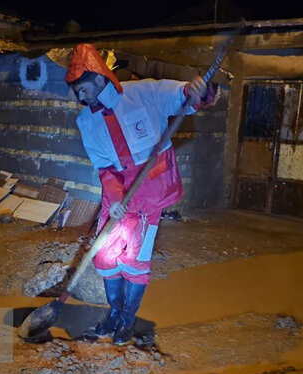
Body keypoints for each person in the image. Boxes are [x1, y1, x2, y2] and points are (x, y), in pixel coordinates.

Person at [66, 43, 213, 345]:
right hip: (115, 198)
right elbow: (104, 166)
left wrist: (196, 91)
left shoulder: (144, 93)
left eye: (81, 88)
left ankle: (126, 322)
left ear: (97, 78)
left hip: (149, 194)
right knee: (106, 258)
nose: (77, 97)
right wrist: (116, 197)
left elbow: (182, 97)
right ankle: (113, 314)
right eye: (74, 90)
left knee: (135, 261)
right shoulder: (86, 121)